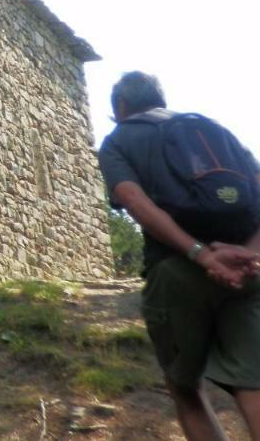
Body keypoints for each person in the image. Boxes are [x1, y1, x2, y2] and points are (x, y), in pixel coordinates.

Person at [98, 70, 260, 441]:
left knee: (185, 388)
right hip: (246, 270)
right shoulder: (211, 129)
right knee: (255, 384)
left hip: (176, 271)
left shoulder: (119, 140)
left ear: (121, 106)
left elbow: (135, 201)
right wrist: (249, 253)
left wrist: (201, 255)